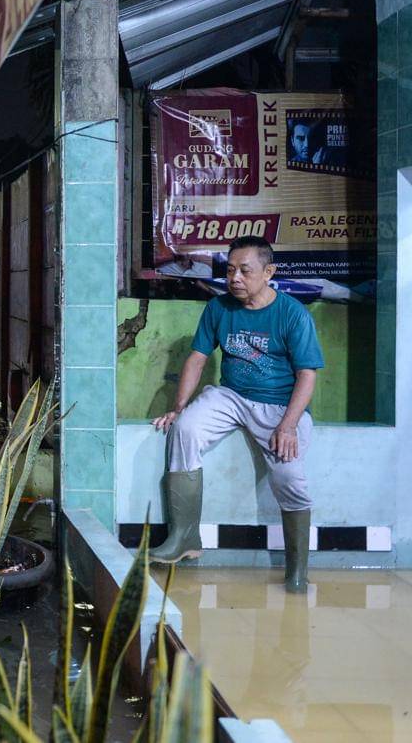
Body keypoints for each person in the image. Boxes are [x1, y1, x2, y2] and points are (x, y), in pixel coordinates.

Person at [150, 236, 324, 593]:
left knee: (289, 477)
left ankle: (297, 571)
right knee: (184, 430)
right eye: (230, 270)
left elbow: (307, 374)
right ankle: (184, 537)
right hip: (230, 396)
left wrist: (288, 426)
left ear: (268, 272)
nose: (235, 278)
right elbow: (198, 358)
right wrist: (178, 408)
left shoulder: (293, 314)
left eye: (245, 270)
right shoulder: (219, 308)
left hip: (279, 404)